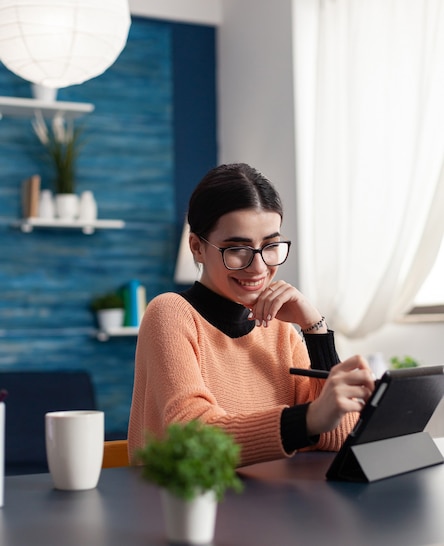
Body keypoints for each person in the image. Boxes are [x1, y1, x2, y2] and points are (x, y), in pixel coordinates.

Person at [128, 163, 375, 466]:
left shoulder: (281, 331)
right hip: (187, 508)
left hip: (270, 504)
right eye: (237, 249)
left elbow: (336, 438)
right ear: (197, 248)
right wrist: (308, 419)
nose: (258, 267)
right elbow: (193, 436)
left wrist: (314, 328)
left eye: (270, 246)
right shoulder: (170, 314)